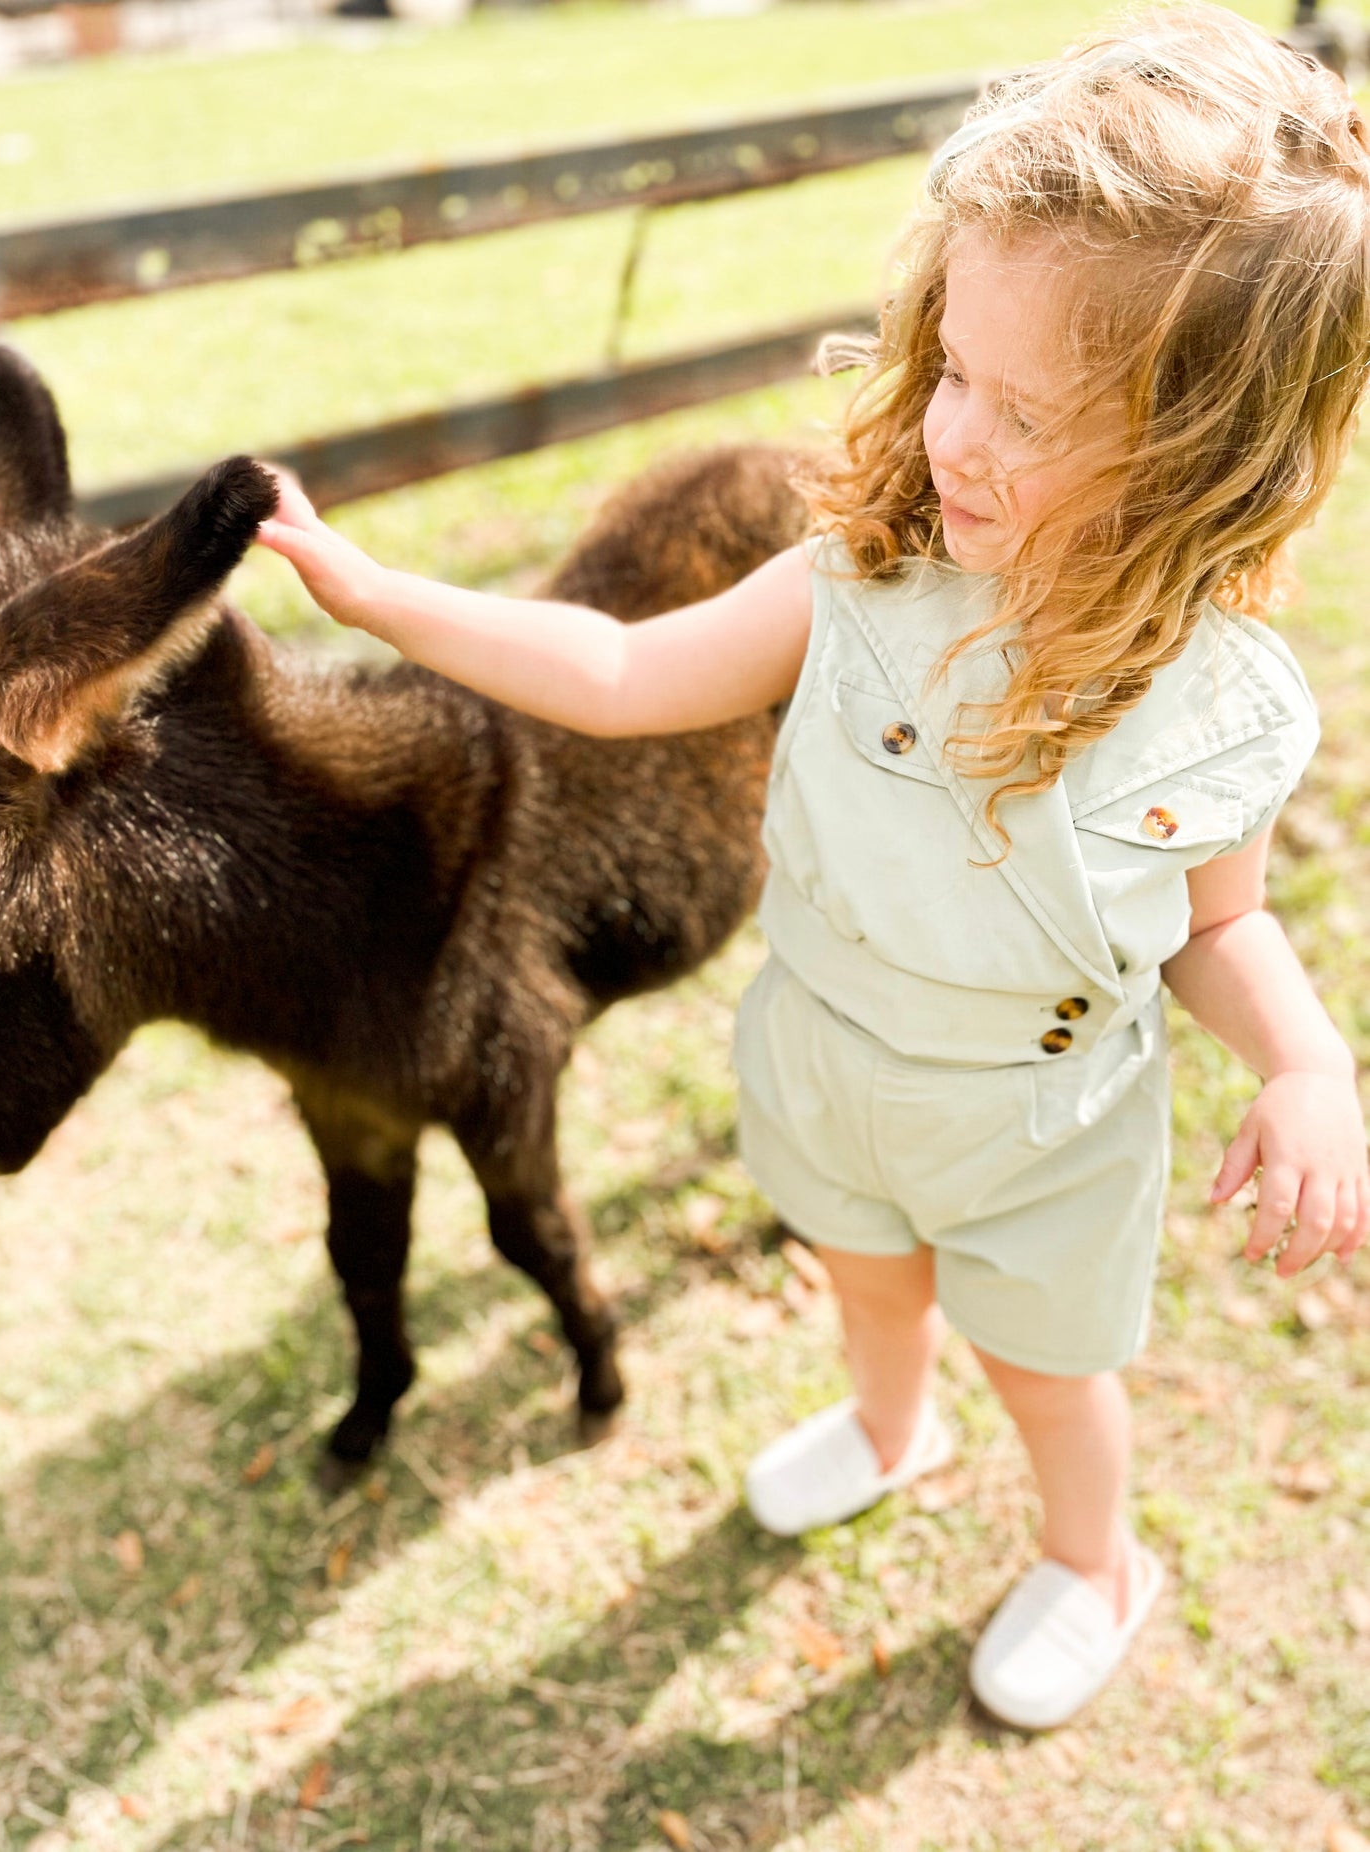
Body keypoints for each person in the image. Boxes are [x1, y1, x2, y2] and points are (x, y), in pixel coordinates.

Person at [255, 2, 1370, 1731]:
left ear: (1202, 460)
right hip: (835, 1061)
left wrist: (1302, 1061)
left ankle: (1091, 1558)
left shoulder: (1214, 710)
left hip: (1037, 1130)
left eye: (1031, 413)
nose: (957, 441)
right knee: (866, 1278)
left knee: (1048, 1368)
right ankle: (883, 1425)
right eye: (954, 375)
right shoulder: (851, 582)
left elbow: (1207, 930)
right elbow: (623, 677)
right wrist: (387, 597)